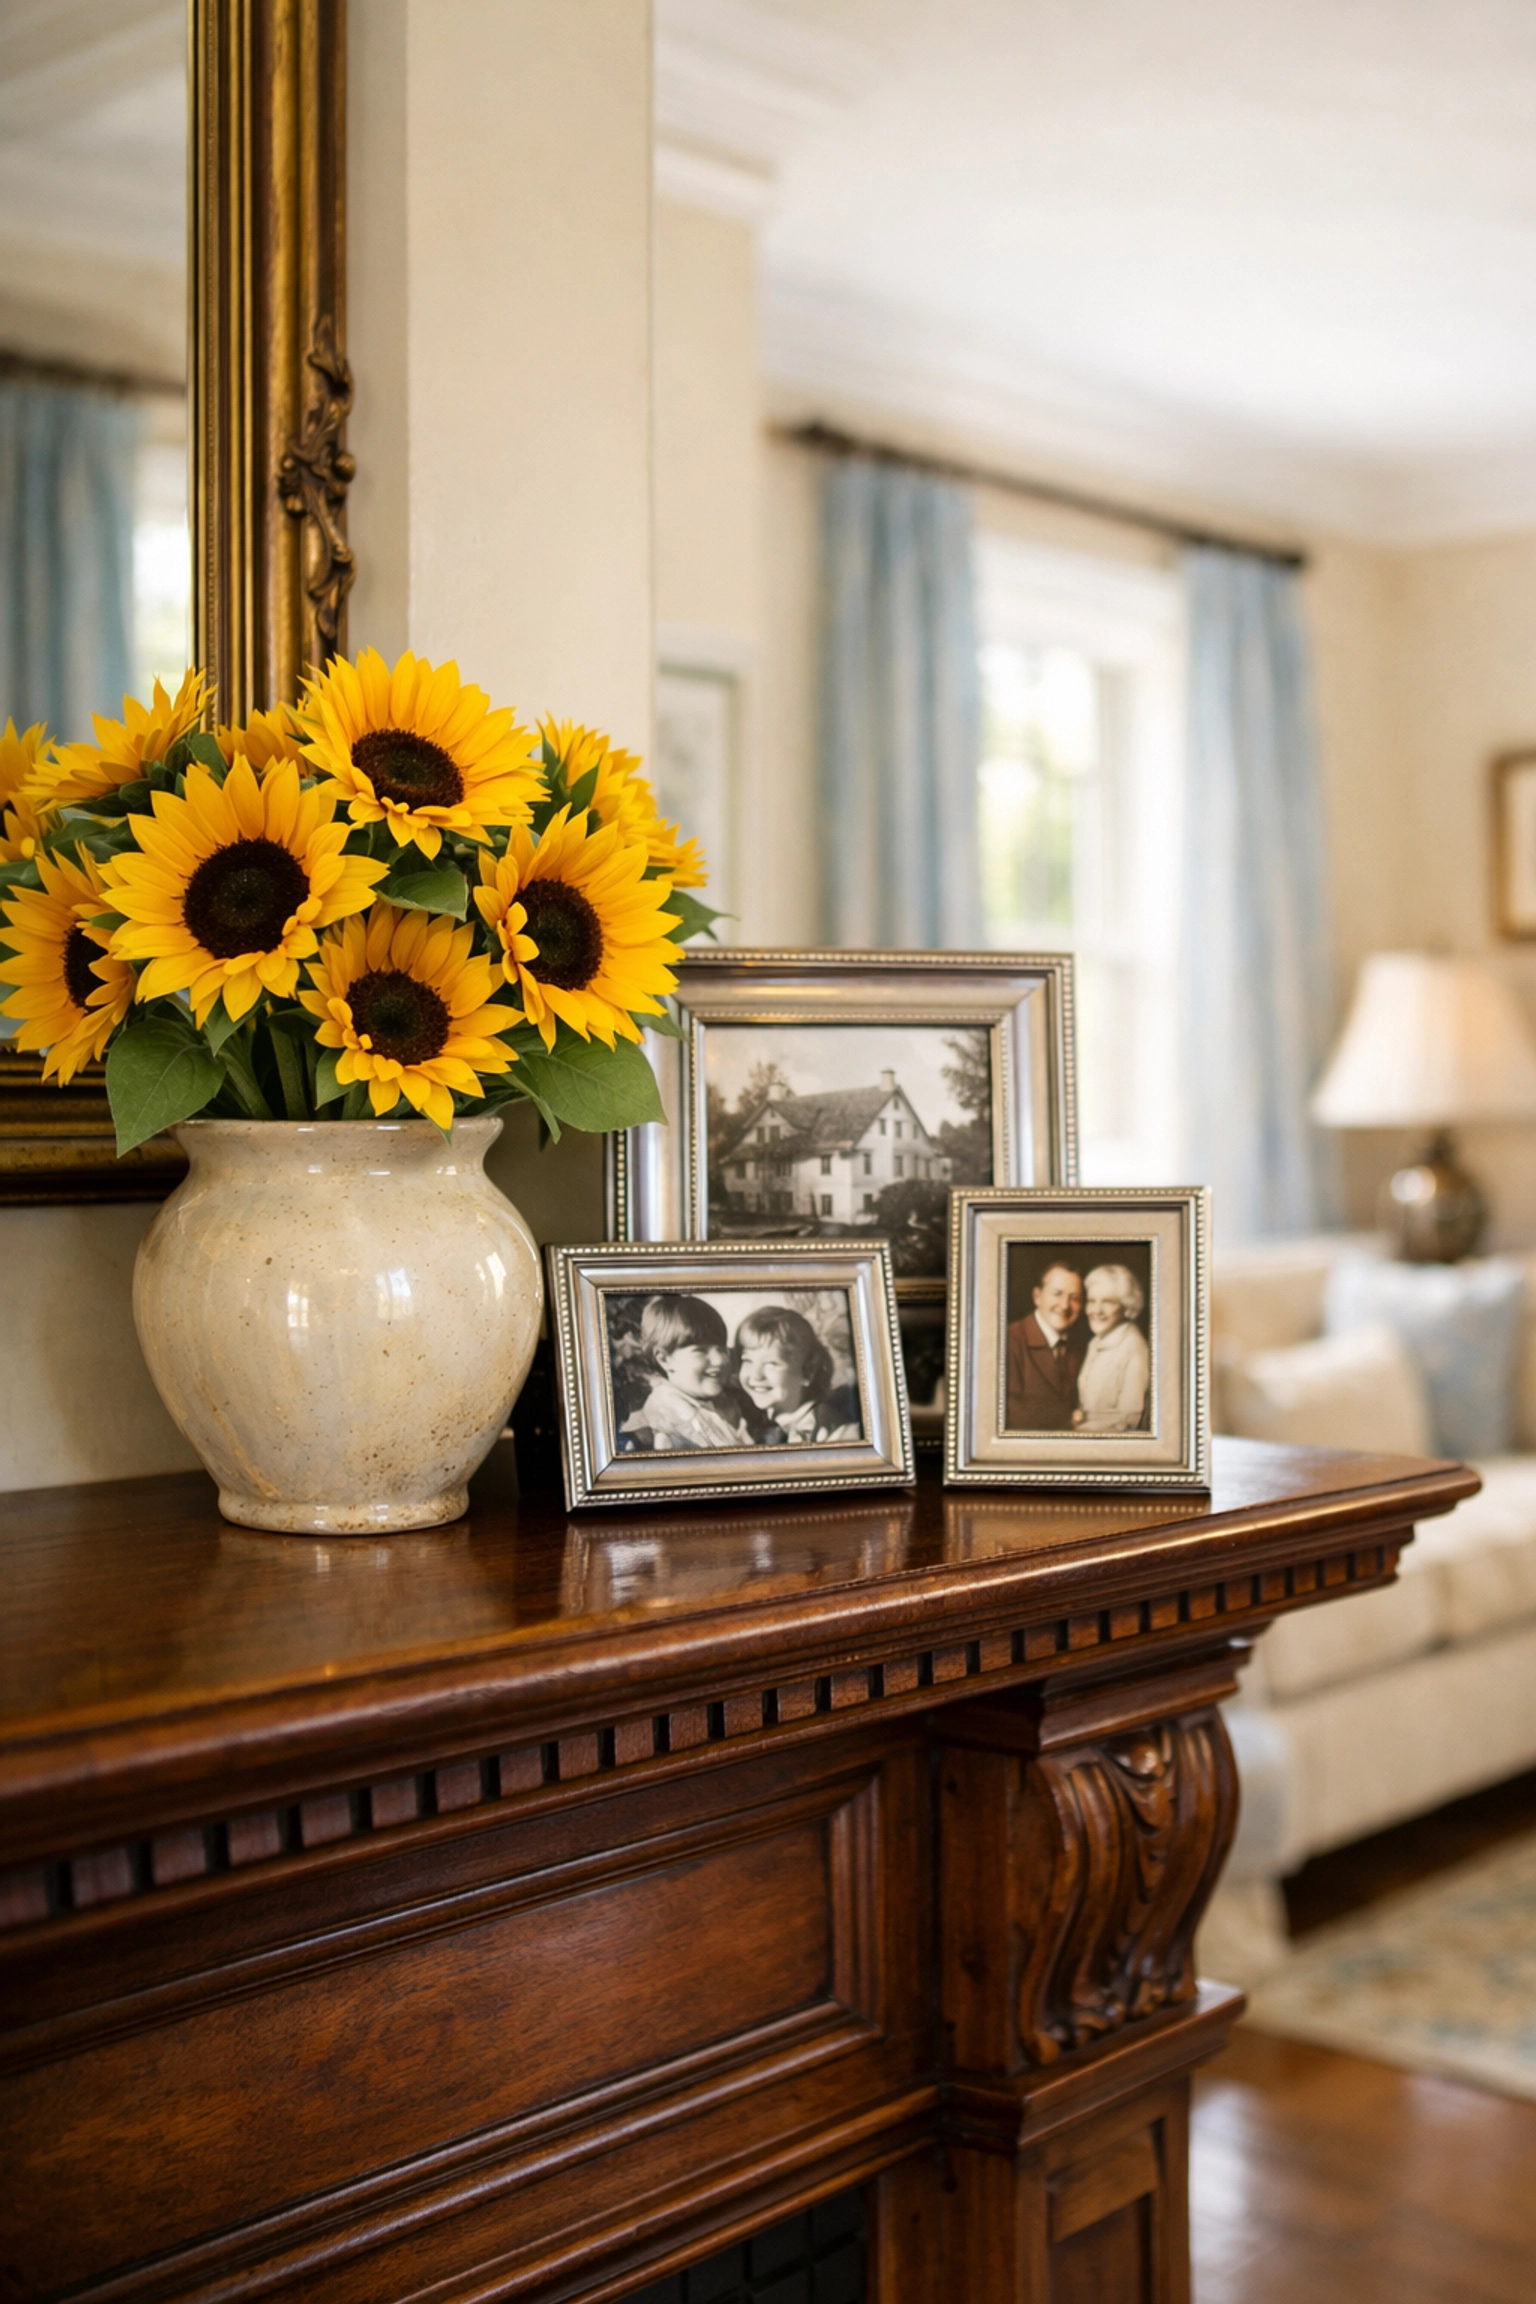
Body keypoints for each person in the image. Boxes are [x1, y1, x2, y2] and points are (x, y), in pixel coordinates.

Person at [618, 1295, 756, 1450]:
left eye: (721, 1349)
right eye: (700, 1351)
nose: (719, 1360)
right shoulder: (669, 1408)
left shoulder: (707, 1401)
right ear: (665, 1360)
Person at [735, 1305, 862, 1443]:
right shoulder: (750, 1422)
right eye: (747, 1360)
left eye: (771, 1363)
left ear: (807, 1372)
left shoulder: (835, 1434)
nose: (755, 1375)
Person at [1004, 1261, 1085, 1431]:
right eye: (1057, 1294)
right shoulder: (1009, 1341)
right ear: (1037, 1296)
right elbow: (1010, 1422)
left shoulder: (1080, 1347)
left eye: (1075, 1298)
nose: (1065, 1305)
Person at [1075, 1264, 1151, 1432]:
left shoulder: (1134, 1348)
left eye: (1107, 1302)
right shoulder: (1095, 1342)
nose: (1096, 1310)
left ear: (1126, 1306)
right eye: (1091, 1301)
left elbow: (1129, 1422)